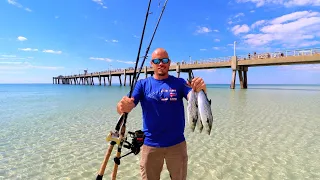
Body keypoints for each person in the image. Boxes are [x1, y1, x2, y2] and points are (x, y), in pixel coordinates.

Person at [116, 48, 207, 180]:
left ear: (169, 63)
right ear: (151, 64)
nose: (161, 63)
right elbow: (125, 105)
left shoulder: (179, 83)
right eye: (157, 60)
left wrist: (201, 90)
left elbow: (193, 98)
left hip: (177, 144)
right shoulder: (142, 84)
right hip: (150, 145)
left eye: (164, 60)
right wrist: (122, 106)